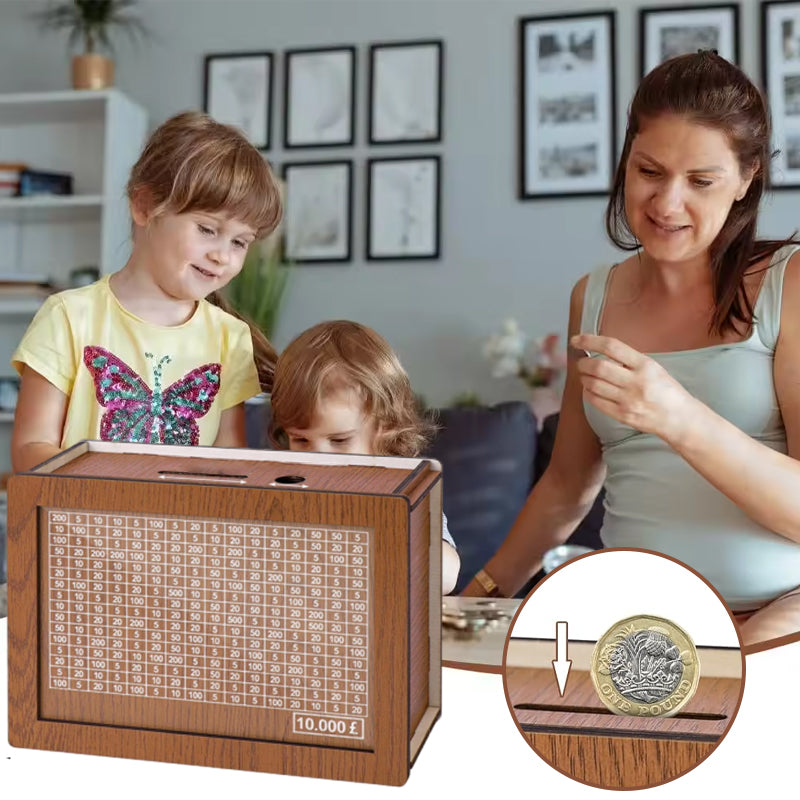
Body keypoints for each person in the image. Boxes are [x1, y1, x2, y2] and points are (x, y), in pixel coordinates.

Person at [464, 51, 800, 649]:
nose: (667, 204)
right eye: (650, 171)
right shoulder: (593, 297)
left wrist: (676, 416)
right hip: (637, 624)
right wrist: (473, 601)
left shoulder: (787, 285)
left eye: (701, 181)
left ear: (748, 178)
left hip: (775, 617)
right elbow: (567, 486)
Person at [11, 111, 282, 472]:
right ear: (144, 206)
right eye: (206, 229)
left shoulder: (231, 338)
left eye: (240, 242)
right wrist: (123, 483)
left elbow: (228, 465)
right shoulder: (67, 317)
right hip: (82, 526)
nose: (222, 256)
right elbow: (30, 450)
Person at [269, 320, 461, 594]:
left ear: (384, 427)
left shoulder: (403, 489)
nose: (318, 458)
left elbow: (446, 576)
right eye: (301, 439)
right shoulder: (281, 490)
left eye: (339, 440)